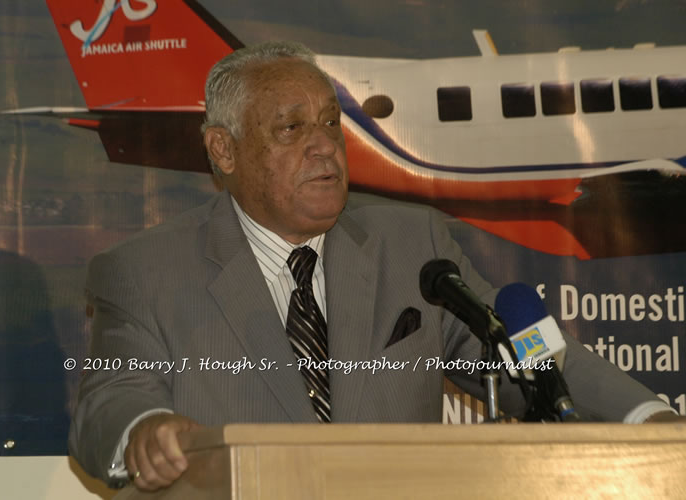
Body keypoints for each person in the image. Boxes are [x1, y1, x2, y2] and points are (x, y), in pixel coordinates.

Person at [69, 41, 681, 492]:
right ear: (223, 150)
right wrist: (144, 430)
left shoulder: (412, 242)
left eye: (332, 124)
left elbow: (531, 350)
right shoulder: (143, 271)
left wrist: (649, 418)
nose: (324, 144)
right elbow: (109, 401)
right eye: (290, 128)